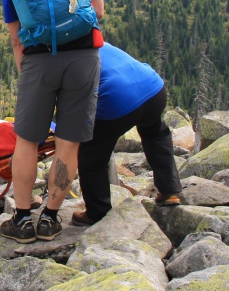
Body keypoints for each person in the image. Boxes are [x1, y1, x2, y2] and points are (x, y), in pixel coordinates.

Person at [0, 0, 105, 243]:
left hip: (38, 62)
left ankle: (21, 220)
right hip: (84, 56)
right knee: (68, 141)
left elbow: (17, 37)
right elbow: (98, 11)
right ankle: (50, 219)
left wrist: (27, 71)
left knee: (28, 141)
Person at [71, 42, 182, 226]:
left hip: (118, 98)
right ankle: (170, 190)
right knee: (155, 133)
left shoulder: (66, 58)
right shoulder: (99, 42)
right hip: (154, 88)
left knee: (91, 155)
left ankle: (97, 212)